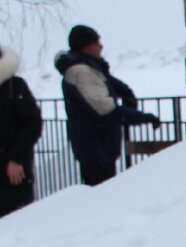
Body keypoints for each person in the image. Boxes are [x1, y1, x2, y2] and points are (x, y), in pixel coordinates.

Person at [54, 25, 160, 186]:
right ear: (86, 45)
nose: (101, 45)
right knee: (101, 195)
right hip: (96, 146)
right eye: (96, 41)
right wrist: (143, 118)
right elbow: (105, 110)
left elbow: (106, 81)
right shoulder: (82, 72)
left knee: (101, 191)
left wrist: (125, 92)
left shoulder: (88, 67)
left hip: (96, 145)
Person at [0, 42, 42, 217]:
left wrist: (16, 159)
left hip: (12, 170)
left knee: (17, 221)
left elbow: (32, 123)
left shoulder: (13, 86)